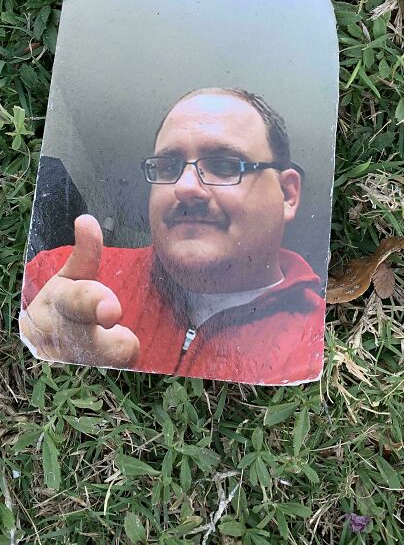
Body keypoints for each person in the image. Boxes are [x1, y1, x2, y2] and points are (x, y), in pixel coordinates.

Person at [19, 88, 325, 384]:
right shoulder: (56, 276)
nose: (185, 187)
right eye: (168, 167)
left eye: (224, 165)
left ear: (287, 194)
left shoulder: (320, 340)